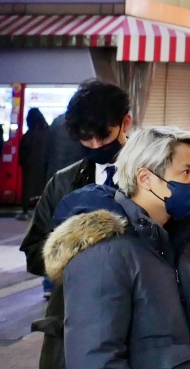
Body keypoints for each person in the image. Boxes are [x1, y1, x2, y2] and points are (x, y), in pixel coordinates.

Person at [42, 127, 190, 369]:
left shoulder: (173, 241)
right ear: (145, 178)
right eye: (185, 172)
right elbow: (97, 358)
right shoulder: (105, 252)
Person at [22, 81, 132, 280]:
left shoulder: (153, 174)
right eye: (87, 138)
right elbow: (34, 249)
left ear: (126, 123)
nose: (96, 145)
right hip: (75, 304)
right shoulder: (63, 182)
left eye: (104, 136)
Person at [18, 107, 50, 219]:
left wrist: (22, 163)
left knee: (27, 188)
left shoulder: (29, 134)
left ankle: (25, 212)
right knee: (43, 189)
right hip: (44, 165)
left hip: (30, 166)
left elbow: (22, 152)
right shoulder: (47, 132)